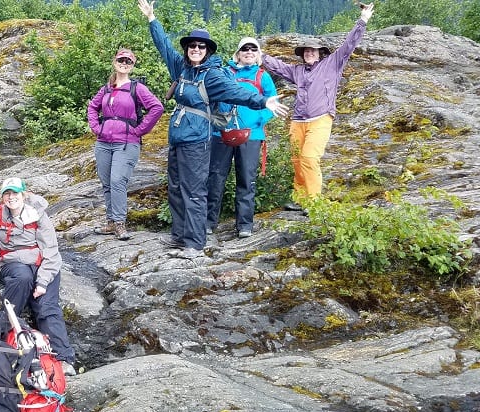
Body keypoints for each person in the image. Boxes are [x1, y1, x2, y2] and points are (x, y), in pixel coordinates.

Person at [138, 0, 289, 259]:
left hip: (198, 139)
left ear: (207, 51)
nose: (196, 49)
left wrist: (263, 101)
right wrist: (152, 19)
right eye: (192, 45)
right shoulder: (182, 68)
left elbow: (237, 93)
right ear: (187, 49)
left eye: (201, 46)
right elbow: (163, 46)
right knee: (175, 187)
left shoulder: (213, 75)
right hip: (178, 138)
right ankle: (180, 235)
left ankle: (195, 243)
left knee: (194, 190)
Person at [261, 3, 374, 209]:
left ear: (320, 52)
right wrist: (259, 56)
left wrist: (363, 19)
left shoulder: (332, 64)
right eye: (306, 51)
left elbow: (349, 44)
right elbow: (278, 66)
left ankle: (314, 203)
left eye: (312, 50)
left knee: (309, 157)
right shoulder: (297, 71)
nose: (309, 53)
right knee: (296, 160)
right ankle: (300, 199)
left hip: (321, 118)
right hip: (297, 121)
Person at [0, 177, 78, 375]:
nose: (11, 197)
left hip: (42, 264)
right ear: (2, 196)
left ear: (24, 194)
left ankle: (63, 359)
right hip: (13, 264)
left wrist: (43, 282)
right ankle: (5, 328)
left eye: (15, 193)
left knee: (47, 308)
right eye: (7, 193)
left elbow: (51, 252)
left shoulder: (38, 214)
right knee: (21, 278)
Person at [87, 48, 164, 240]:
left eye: (128, 61)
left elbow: (157, 107)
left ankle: (120, 223)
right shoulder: (106, 88)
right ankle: (111, 222)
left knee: (117, 181)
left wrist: (139, 130)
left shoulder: (136, 88)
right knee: (107, 183)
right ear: (115, 62)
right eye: (121, 60)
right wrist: (96, 128)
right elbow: (92, 107)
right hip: (103, 143)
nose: (124, 63)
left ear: (132, 66)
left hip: (127, 143)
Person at [206, 37, 279, 239]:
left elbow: (273, 102)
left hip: (251, 134)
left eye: (253, 49)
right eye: (244, 49)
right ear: (237, 54)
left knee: (247, 180)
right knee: (215, 178)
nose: (248, 52)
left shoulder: (263, 76)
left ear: (258, 55)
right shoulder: (224, 73)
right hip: (220, 132)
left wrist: (259, 120)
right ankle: (208, 222)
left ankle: (244, 225)